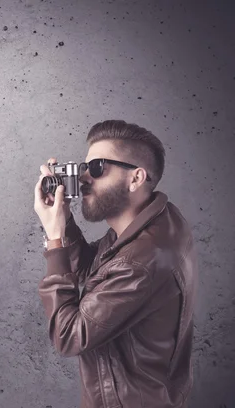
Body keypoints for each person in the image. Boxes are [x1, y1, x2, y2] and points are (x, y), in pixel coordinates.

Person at [33, 120, 198, 408]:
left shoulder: (142, 260)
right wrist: (65, 218)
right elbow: (92, 269)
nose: (84, 179)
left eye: (97, 168)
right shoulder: (154, 221)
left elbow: (69, 336)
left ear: (136, 178)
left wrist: (55, 240)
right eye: (84, 168)